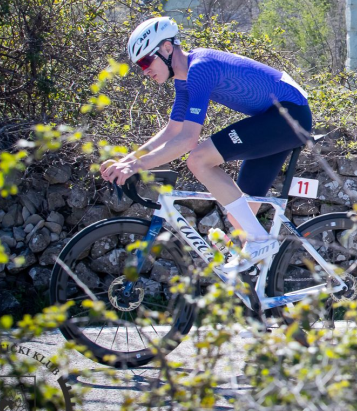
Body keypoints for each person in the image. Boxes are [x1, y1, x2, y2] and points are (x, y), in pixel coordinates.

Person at [101, 16, 312, 277]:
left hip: (288, 116)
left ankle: (259, 242)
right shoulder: (184, 79)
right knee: (240, 217)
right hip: (276, 121)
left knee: (198, 159)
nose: (144, 71)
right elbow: (172, 131)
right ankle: (260, 291)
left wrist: (136, 166)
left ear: (166, 48)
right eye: (139, 66)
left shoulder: (200, 68)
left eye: (146, 61)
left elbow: (188, 140)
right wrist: (126, 161)